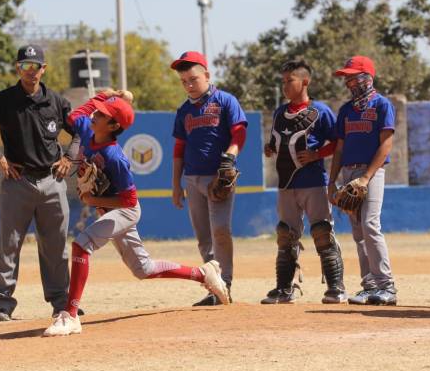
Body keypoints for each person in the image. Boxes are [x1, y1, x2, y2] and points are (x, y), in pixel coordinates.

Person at [43, 90, 228, 337]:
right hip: (110, 212)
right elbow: (75, 116)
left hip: (126, 211)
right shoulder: (88, 130)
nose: (95, 115)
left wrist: (93, 199)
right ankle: (203, 273)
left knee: (80, 245)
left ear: (114, 125)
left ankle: (71, 315)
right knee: (143, 269)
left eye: (103, 114)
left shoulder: (114, 157)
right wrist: (105, 95)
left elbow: (129, 200)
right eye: (98, 111)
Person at [0, 44, 80, 321]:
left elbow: (80, 132)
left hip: (53, 182)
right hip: (18, 183)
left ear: (44, 69)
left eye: (35, 66)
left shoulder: (56, 101)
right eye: (24, 66)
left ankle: (61, 302)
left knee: (56, 246)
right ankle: (2, 305)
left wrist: (70, 158)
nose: (30, 71)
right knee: (9, 244)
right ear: (18, 69)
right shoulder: (5, 100)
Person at [262, 60, 346, 304]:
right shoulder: (280, 112)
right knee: (285, 235)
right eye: (283, 81)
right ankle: (285, 288)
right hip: (286, 184)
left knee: (322, 232)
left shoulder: (320, 111)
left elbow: (337, 143)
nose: (285, 86)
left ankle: (336, 288)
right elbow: (279, 142)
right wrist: (270, 148)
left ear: (305, 82)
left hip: (313, 182)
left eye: (290, 81)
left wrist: (316, 154)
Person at [170, 51, 247, 306]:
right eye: (184, 81)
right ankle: (214, 289)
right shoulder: (184, 111)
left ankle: (226, 281)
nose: (189, 85)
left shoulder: (225, 101)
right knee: (204, 236)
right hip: (192, 179)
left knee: (221, 230)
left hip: (218, 177)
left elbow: (239, 133)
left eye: (193, 79)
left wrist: (230, 157)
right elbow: (179, 148)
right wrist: (175, 184)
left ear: (207, 75)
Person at [328, 56, 397, 306]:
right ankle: (369, 286)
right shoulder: (346, 110)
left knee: (370, 225)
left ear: (366, 77)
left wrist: (366, 177)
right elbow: (339, 148)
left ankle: (386, 285)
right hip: (348, 172)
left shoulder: (382, 105)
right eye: (346, 77)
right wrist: (332, 181)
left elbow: (386, 143)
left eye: (352, 76)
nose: (347, 81)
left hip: (372, 172)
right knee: (358, 231)